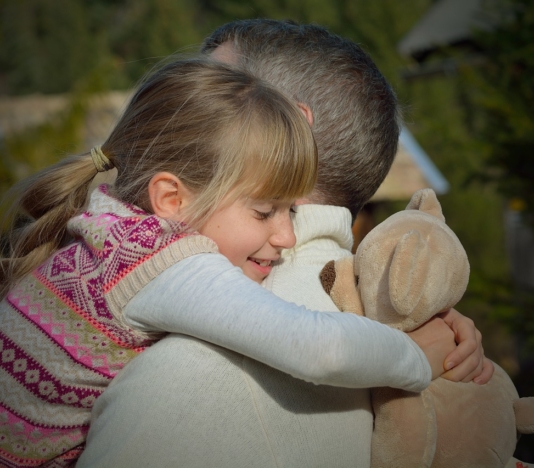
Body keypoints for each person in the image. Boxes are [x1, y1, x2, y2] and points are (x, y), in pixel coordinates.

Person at [0, 57, 459, 467]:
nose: (286, 236)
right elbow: (319, 348)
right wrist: (418, 355)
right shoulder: (161, 264)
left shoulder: (108, 221)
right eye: (264, 212)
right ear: (171, 198)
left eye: (292, 210)